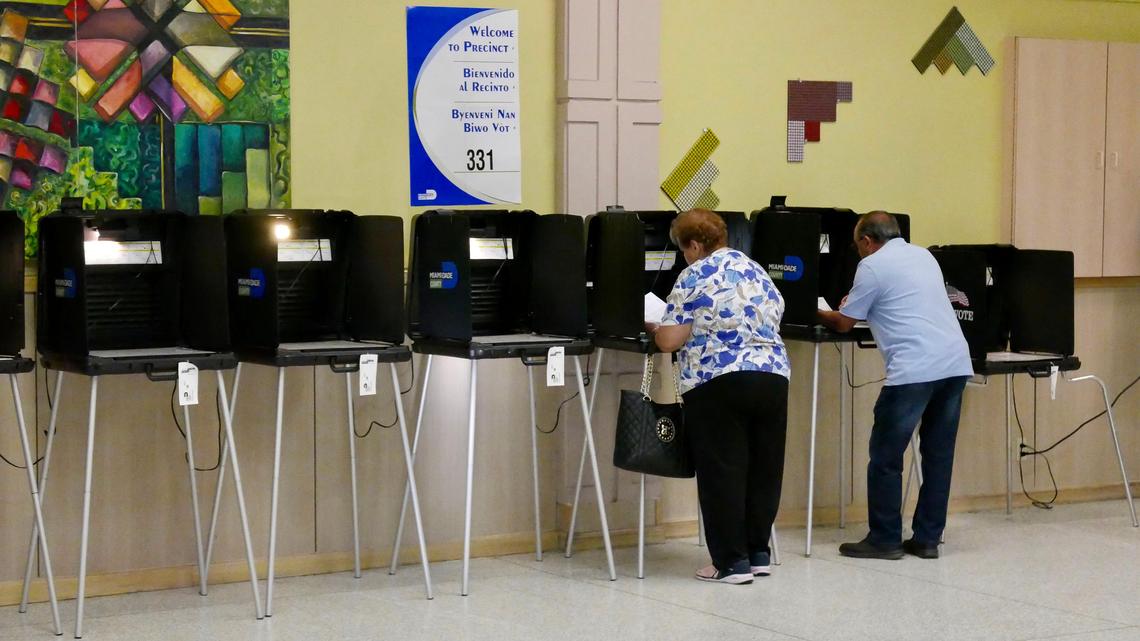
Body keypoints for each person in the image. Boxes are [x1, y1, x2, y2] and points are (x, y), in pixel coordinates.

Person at [818, 211, 973, 560]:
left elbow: (843, 323)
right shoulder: (924, 255)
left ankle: (885, 538)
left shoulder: (872, 266)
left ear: (868, 241)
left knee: (887, 456)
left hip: (914, 368)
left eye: (858, 246)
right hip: (954, 363)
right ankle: (927, 539)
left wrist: (814, 311)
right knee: (937, 455)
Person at [647, 209, 791, 585]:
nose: (685, 256)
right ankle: (758, 553)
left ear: (694, 245)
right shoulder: (756, 270)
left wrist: (654, 325)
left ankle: (730, 563)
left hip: (718, 380)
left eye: (684, 249)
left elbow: (670, 340)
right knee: (764, 469)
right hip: (773, 376)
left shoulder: (694, 275)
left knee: (723, 471)